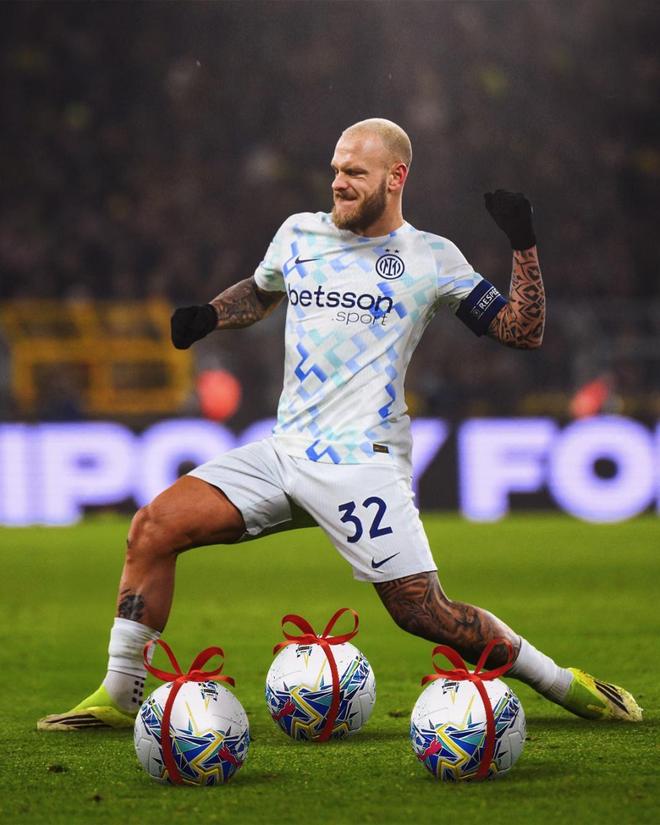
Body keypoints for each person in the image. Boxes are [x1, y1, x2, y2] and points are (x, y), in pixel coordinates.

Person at [38, 118, 641, 731]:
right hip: (284, 452)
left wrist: (523, 244)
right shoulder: (299, 234)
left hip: (363, 463)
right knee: (152, 527)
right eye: (335, 170)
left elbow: (522, 331)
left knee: (422, 612)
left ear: (395, 177)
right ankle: (119, 695)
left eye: (355, 172)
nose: (339, 183)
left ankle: (564, 684)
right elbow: (263, 290)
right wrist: (212, 316)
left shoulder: (432, 257)